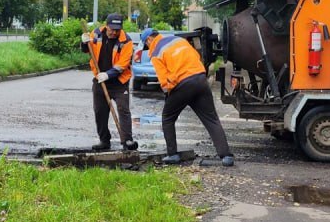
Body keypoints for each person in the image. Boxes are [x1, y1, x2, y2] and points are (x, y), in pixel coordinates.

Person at [139, 28, 234, 167]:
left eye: (146, 45)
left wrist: (168, 95)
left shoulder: (156, 52)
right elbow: (197, 56)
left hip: (182, 85)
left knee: (167, 118)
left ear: (149, 39)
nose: (148, 48)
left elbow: (164, 81)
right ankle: (226, 156)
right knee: (211, 119)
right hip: (200, 79)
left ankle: (172, 154)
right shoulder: (178, 40)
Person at [82, 13, 137, 151]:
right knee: (100, 111)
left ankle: (127, 141)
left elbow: (122, 64)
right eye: (111, 29)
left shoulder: (126, 41)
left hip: (119, 82)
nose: (114, 32)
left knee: (123, 110)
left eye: (117, 30)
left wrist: (108, 74)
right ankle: (104, 141)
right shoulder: (96, 34)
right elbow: (87, 50)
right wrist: (83, 42)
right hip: (99, 81)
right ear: (106, 26)